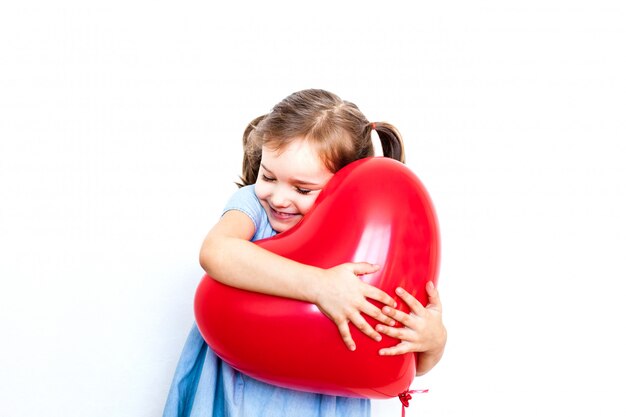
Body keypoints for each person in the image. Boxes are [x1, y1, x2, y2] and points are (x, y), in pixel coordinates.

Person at [163, 89, 447, 417]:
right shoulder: (252, 207)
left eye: (302, 189)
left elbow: (398, 362)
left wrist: (432, 342)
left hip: (326, 403)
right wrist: (319, 285)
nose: (279, 198)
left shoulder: (368, 242)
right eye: (268, 176)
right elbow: (216, 252)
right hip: (237, 395)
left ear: (348, 185)